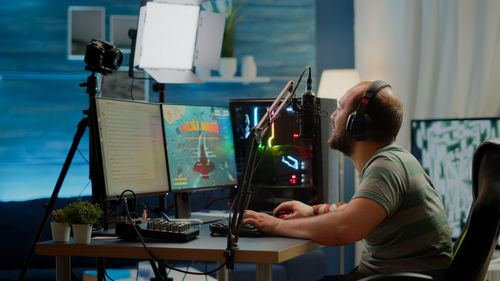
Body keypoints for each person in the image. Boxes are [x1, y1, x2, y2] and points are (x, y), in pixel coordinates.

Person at [243, 81, 452, 281]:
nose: (332, 116)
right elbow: (356, 211)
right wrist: (310, 212)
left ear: (357, 124)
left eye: (340, 108)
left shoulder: (386, 166)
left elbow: (345, 228)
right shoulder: (393, 160)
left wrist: (276, 226)